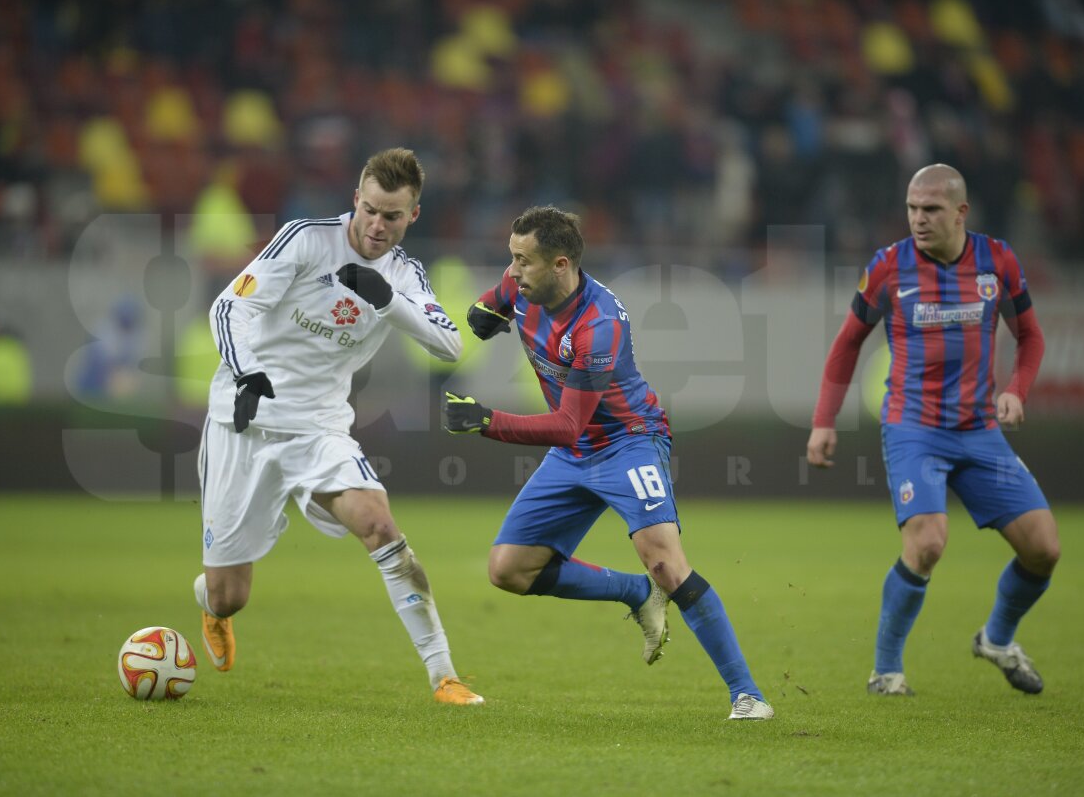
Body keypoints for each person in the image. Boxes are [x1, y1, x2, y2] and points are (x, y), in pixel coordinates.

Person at [444, 206, 772, 721]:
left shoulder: (599, 325)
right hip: (573, 453)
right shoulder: (520, 286)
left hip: (627, 442)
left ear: (560, 264)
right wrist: (482, 313)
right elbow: (491, 304)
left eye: (523, 262)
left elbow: (570, 424)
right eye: (511, 259)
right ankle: (635, 593)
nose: (512, 272)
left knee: (664, 561)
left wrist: (486, 420)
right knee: (507, 570)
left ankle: (747, 695)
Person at [194, 147, 483, 706]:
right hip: (245, 419)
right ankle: (212, 604)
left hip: (320, 430)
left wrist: (386, 299)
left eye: (392, 216)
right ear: (355, 199)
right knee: (231, 595)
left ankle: (443, 675)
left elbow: (449, 344)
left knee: (379, 525)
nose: (377, 225)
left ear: (413, 216)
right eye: (370, 210)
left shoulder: (404, 274)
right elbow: (230, 309)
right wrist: (247, 372)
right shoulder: (305, 239)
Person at [807, 164, 1060, 697]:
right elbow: (847, 343)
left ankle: (996, 638)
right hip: (913, 429)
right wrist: (823, 422)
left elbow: (1031, 337)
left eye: (931, 210)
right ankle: (886, 671)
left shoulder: (999, 261)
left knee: (1043, 549)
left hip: (980, 430)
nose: (918, 219)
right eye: (912, 208)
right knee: (927, 542)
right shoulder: (887, 268)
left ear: (961, 212)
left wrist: (1017, 388)